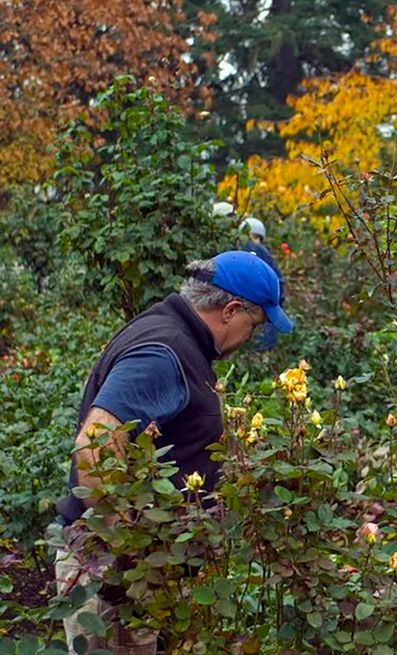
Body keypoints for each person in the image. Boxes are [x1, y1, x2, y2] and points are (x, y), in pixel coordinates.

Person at [51, 251, 292, 654]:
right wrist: (129, 551)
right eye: (253, 326)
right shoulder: (165, 351)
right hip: (113, 578)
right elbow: (95, 444)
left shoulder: (172, 332)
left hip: (138, 575)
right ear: (230, 310)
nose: (250, 338)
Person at [238, 217, 286, 349]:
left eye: (256, 238)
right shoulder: (265, 255)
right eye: (252, 237)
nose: (254, 242)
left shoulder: (239, 252)